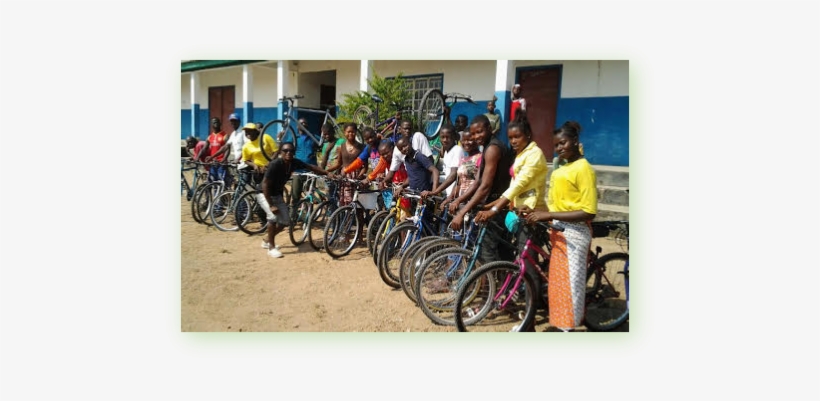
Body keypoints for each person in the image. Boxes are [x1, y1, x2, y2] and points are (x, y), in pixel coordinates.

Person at [524, 121, 597, 332]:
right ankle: (562, 324)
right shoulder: (562, 168)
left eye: (563, 143)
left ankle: (569, 327)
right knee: (559, 284)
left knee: (571, 285)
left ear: (575, 141)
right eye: (556, 145)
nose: (559, 148)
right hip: (559, 231)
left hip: (575, 233)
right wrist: (535, 213)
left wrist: (548, 215)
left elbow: (588, 211)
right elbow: (557, 204)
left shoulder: (584, 169)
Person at [449, 115, 514, 264]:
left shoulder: (493, 149)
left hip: (497, 204)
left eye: (480, 132)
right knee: (497, 250)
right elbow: (477, 181)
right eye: (473, 134)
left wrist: (462, 212)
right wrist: (458, 200)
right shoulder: (486, 147)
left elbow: (484, 187)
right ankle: (497, 284)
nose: (476, 136)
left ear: (489, 129)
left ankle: (493, 286)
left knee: (487, 251)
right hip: (491, 202)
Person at [260, 142, 333, 258]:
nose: (288, 153)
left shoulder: (293, 163)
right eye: (285, 151)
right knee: (273, 218)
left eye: (291, 151)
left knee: (285, 221)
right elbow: (265, 184)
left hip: (277, 195)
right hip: (264, 194)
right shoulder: (275, 164)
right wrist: (270, 204)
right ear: (281, 152)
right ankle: (271, 247)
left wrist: (327, 173)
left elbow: (310, 167)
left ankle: (267, 240)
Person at [395, 136, 440, 223]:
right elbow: (411, 176)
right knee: (417, 223)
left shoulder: (419, 157)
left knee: (426, 223)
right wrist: (402, 186)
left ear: (410, 143)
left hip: (425, 196)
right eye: (401, 149)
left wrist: (433, 192)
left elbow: (435, 171)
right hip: (415, 196)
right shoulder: (407, 160)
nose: (404, 149)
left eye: (405, 145)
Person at [421, 124, 463, 200]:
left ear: (454, 137)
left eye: (448, 137)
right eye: (442, 137)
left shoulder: (457, 150)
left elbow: (453, 175)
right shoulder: (447, 151)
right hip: (448, 194)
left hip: (455, 196)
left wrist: (435, 191)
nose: (444, 140)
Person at [326, 123, 364, 206]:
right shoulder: (341, 147)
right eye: (348, 132)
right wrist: (326, 171)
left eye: (352, 132)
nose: (350, 134)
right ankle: (346, 218)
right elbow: (338, 164)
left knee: (358, 204)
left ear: (356, 132)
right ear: (344, 132)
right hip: (345, 177)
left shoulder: (361, 147)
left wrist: (360, 176)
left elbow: (365, 166)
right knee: (346, 203)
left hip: (356, 177)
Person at [291, 117, 321, 210]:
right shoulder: (294, 138)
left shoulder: (313, 137)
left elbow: (322, 143)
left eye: (305, 123)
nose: (304, 124)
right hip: (298, 171)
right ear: (297, 126)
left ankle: (308, 216)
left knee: (309, 195)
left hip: (310, 170)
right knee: (295, 194)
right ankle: (293, 215)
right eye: (301, 123)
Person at [201, 117, 233, 189]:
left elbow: (228, 148)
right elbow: (204, 148)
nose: (215, 124)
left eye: (217, 122)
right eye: (213, 122)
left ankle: (223, 199)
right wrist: (196, 158)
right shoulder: (210, 137)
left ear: (220, 124)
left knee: (222, 183)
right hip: (213, 163)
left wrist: (224, 159)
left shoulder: (225, 135)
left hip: (221, 163)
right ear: (211, 124)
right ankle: (216, 199)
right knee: (213, 183)